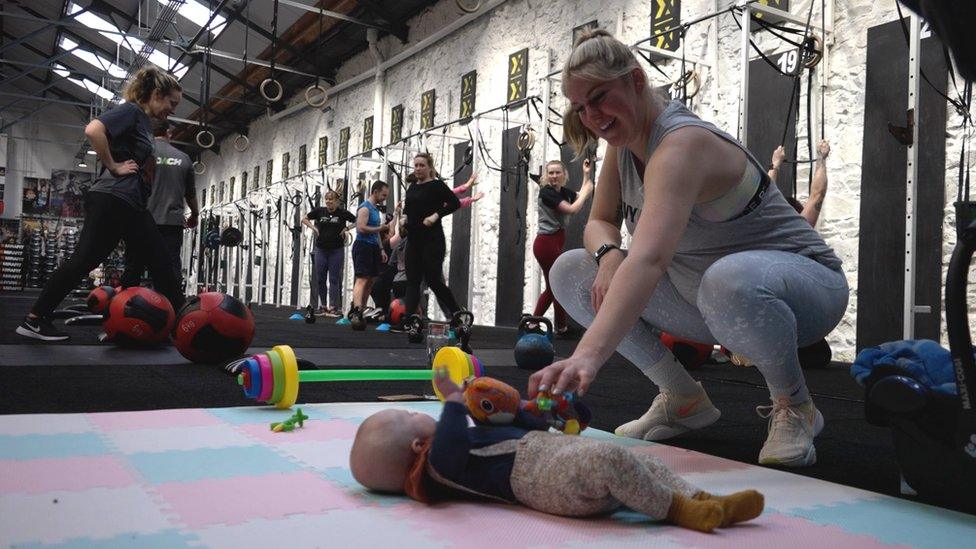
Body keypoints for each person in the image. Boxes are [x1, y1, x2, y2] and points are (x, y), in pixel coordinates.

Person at [528, 29, 848, 467]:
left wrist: (585, 357)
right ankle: (682, 398)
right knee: (570, 270)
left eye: (599, 98)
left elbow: (650, 258)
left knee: (729, 279)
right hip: (709, 302)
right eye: (581, 107)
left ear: (636, 81)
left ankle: (796, 406)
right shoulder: (621, 147)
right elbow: (599, 221)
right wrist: (608, 255)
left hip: (805, 293)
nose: (591, 116)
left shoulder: (681, 143)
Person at [349, 371, 764, 533]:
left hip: (549, 456)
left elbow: (510, 431)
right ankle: (677, 510)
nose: (418, 411)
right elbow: (453, 445)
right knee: (612, 460)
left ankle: (706, 501)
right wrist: (455, 401)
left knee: (645, 459)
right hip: (542, 481)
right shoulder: (437, 468)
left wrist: (535, 412)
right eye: (407, 413)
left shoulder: (459, 446)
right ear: (418, 445)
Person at [17, 67, 186, 341]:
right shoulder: (132, 111)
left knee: (85, 260)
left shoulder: (142, 121)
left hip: (119, 200)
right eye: (171, 103)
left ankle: (35, 318)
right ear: (156, 94)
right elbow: (93, 129)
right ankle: (186, 323)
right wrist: (114, 166)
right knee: (161, 259)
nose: (172, 110)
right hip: (117, 198)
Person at [120, 120, 198, 291]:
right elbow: (190, 193)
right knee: (169, 269)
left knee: (134, 267)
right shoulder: (183, 158)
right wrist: (195, 214)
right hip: (170, 223)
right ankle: (171, 310)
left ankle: (124, 310)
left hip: (140, 220)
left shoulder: (139, 154)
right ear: (169, 133)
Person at [390, 153, 463, 331]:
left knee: (434, 281)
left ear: (430, 167)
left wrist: (436, 215)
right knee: (412, 281)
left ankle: (457, 315)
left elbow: (455, 203)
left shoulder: (437, 186)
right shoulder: (412, 188)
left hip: (433, 240)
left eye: (421, 165)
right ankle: (408, 320)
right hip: (414, 239)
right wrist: (403, 219)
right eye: (415, 166)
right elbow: (408, 209)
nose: (418, 169)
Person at [532, 159, 594, 336]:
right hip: (546, 244)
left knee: (556, 285)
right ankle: (532, 324)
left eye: (557, 172)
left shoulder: (561, 192)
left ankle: (561, 327)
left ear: (564, 175)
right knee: (554, 286)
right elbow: (573, 209)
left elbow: (582, 193)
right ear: (546, 176)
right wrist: (586, 192)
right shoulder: (547, 193)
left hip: (554, 242)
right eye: (550, 173)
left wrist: (586, 174)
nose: (554, 176)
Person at [302, 190, 356, 317]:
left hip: (336, 250)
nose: (328, 202)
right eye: (326, 199)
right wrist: (314, 228)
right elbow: (304, 219)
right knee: (320, 278)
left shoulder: (342, 213)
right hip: (321, 249)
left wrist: (347, 228)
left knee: (334, 278)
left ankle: (333, 306)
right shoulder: (320, 211)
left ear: (336, 201)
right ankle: (323, 306)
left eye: (331, 200)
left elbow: (358, 221)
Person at [349, 180, 391, 323]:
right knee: (362, 278)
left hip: (373, 247)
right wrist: (380, 229)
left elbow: (375, 233)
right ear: (375, 192)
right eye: (383, 195)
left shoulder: (375, 209)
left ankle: (363, 308)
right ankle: (357, 310)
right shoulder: (365, 208)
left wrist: (381, 249)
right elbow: (360, 228)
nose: (385, 198)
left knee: (371, 279)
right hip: (362, 246)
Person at [768, 140, 830, 227]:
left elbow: (767, 195)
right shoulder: (798, 229)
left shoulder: (767, 227)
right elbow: (817, 194)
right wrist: (822, 157)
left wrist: (775, 163)